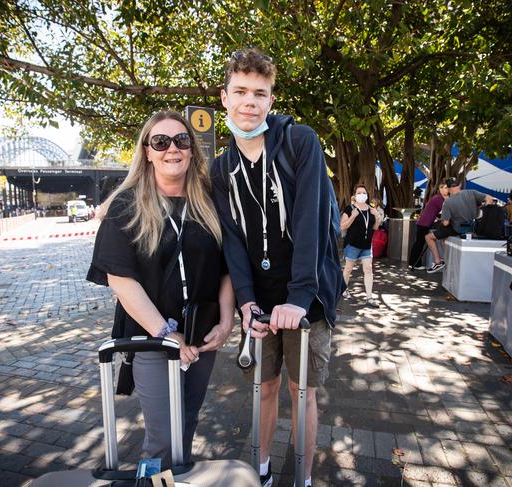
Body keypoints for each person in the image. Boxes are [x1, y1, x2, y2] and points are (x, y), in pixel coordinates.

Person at [211, 48, 344, 487]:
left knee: (299, 391)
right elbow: (232, 241)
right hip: (261, 300)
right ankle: (262, 468)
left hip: (307, 295)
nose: (250, 102)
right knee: (263, 387)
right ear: (225, 97)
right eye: (241, 92)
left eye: (260, 93)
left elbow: (311, 222)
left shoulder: (299, 141)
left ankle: (303, 477)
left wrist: (300, 297)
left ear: (271, 99)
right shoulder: (221, 167)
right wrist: (247, 301)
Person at [86, 111, 234, 465]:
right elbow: (121, 280)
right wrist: (166, 334)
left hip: (201, 336)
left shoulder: (212, 202)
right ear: (147, 152)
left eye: (182, 141)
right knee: (163, 436)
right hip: (152, 339)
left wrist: (227, 323)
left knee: (187, 422)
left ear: (193, 151)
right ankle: (154, 476)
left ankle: (176, 476)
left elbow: (229, 269)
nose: (172, 148)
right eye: (161, 141)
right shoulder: (126, 205)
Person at [425, 177, 495, 273]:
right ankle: (446, 259)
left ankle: (438, 262)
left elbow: (446, 223)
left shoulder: (448, 202)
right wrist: (484, 210)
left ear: (448, 188)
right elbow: (489, 199)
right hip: (474, 227)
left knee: (428, 237)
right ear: (460, 185)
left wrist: (442, 220)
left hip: (458, 229)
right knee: (443, 236)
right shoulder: (472, 192)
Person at [340, 184, 382, 308]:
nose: (362, 195)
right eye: (359, 193)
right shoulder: (349, 209)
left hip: (366, 246)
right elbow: (342, 226)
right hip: (352, 245)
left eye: (364, 193)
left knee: (368, 269)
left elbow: (374, 227)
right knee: (348, 269)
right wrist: (353, 216)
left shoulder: (371, 210)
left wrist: (377, 217)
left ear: (367, 195)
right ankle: (343, 289)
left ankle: (369, 297)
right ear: (354, 195)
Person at [408, 181, 449, 270]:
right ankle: (414, 264)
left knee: (419, 243)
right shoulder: (439, 198)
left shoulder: (439, 198)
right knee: (419, 243)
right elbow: (447, 209)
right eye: (445, 188)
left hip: (425, 222)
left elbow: (437, 212)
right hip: (424, 223)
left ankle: (413, 263)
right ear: (440, 189)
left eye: (448, 188)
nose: (447, 190)